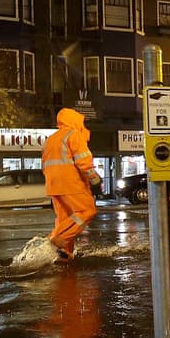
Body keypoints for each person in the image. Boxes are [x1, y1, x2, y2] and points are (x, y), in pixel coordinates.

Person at [42, 107, 102, 261]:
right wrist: (94, 178)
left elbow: (44, 164)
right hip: (71, 183)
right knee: (87, 210)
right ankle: (58, 239)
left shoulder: (51, 139)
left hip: (54, 185)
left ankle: (64, 255)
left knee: (66, 219)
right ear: (74, 121)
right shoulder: (73, 135)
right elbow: (83, 160)